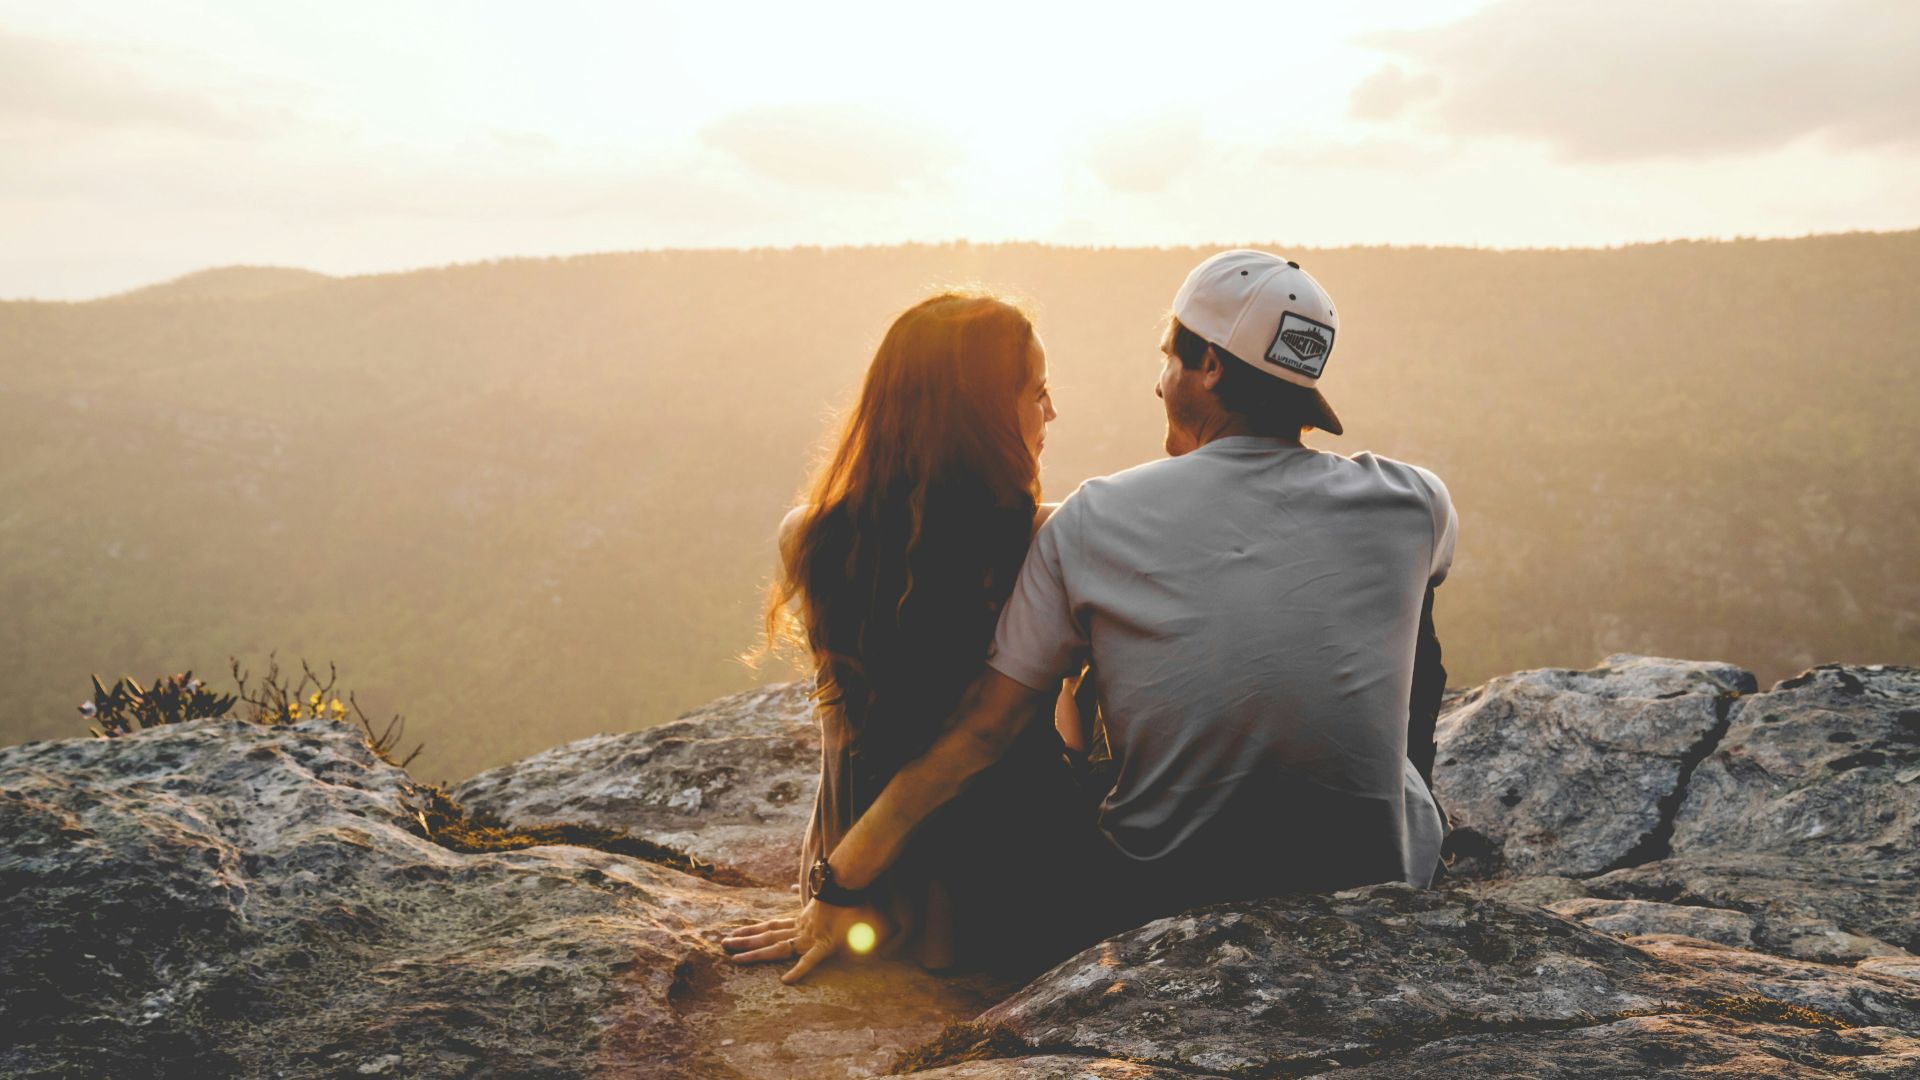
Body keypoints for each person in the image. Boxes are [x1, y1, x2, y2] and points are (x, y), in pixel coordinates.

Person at [769, 250, 1458, 984]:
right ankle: (1381, 808)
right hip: (1381, 877)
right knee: (1413, 606)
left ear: (1210, 369)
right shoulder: (1415, 501)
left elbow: (986, 726)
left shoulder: (1097, 519)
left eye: (1169, 357)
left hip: (1161, 892)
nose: (1158, 379)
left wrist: (843, 876)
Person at [722, 291, 1090, 977]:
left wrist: (833, 888)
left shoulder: (808, 536)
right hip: (1013, 891)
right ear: (979, 417)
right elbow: (1004, 734)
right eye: (1037, 393)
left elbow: (848, 744)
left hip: (858, 890)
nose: (1052, 413)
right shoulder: (1050, 539)